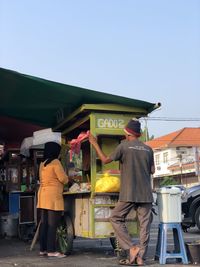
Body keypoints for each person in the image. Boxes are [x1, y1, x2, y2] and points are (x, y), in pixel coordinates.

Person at [89, 118, 155, 266]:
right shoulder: (148, 149)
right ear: (139, 134)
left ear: (127, 133)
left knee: (116, 218)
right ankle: (140, 258)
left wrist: (94, 144)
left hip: (129, 192)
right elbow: (152, 171)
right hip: (146, 193)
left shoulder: (124, 146)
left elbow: (105, 160)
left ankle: (131, 247)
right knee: (144, 226)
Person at [37, 141, 68, 258]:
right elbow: (63, 179)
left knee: (45, 224)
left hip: (43, 195)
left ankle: (43, 249)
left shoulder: (42, 163)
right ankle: (51, 250)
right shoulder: (56, 162)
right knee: (52, 224)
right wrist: (69, 178)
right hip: (53, 196)